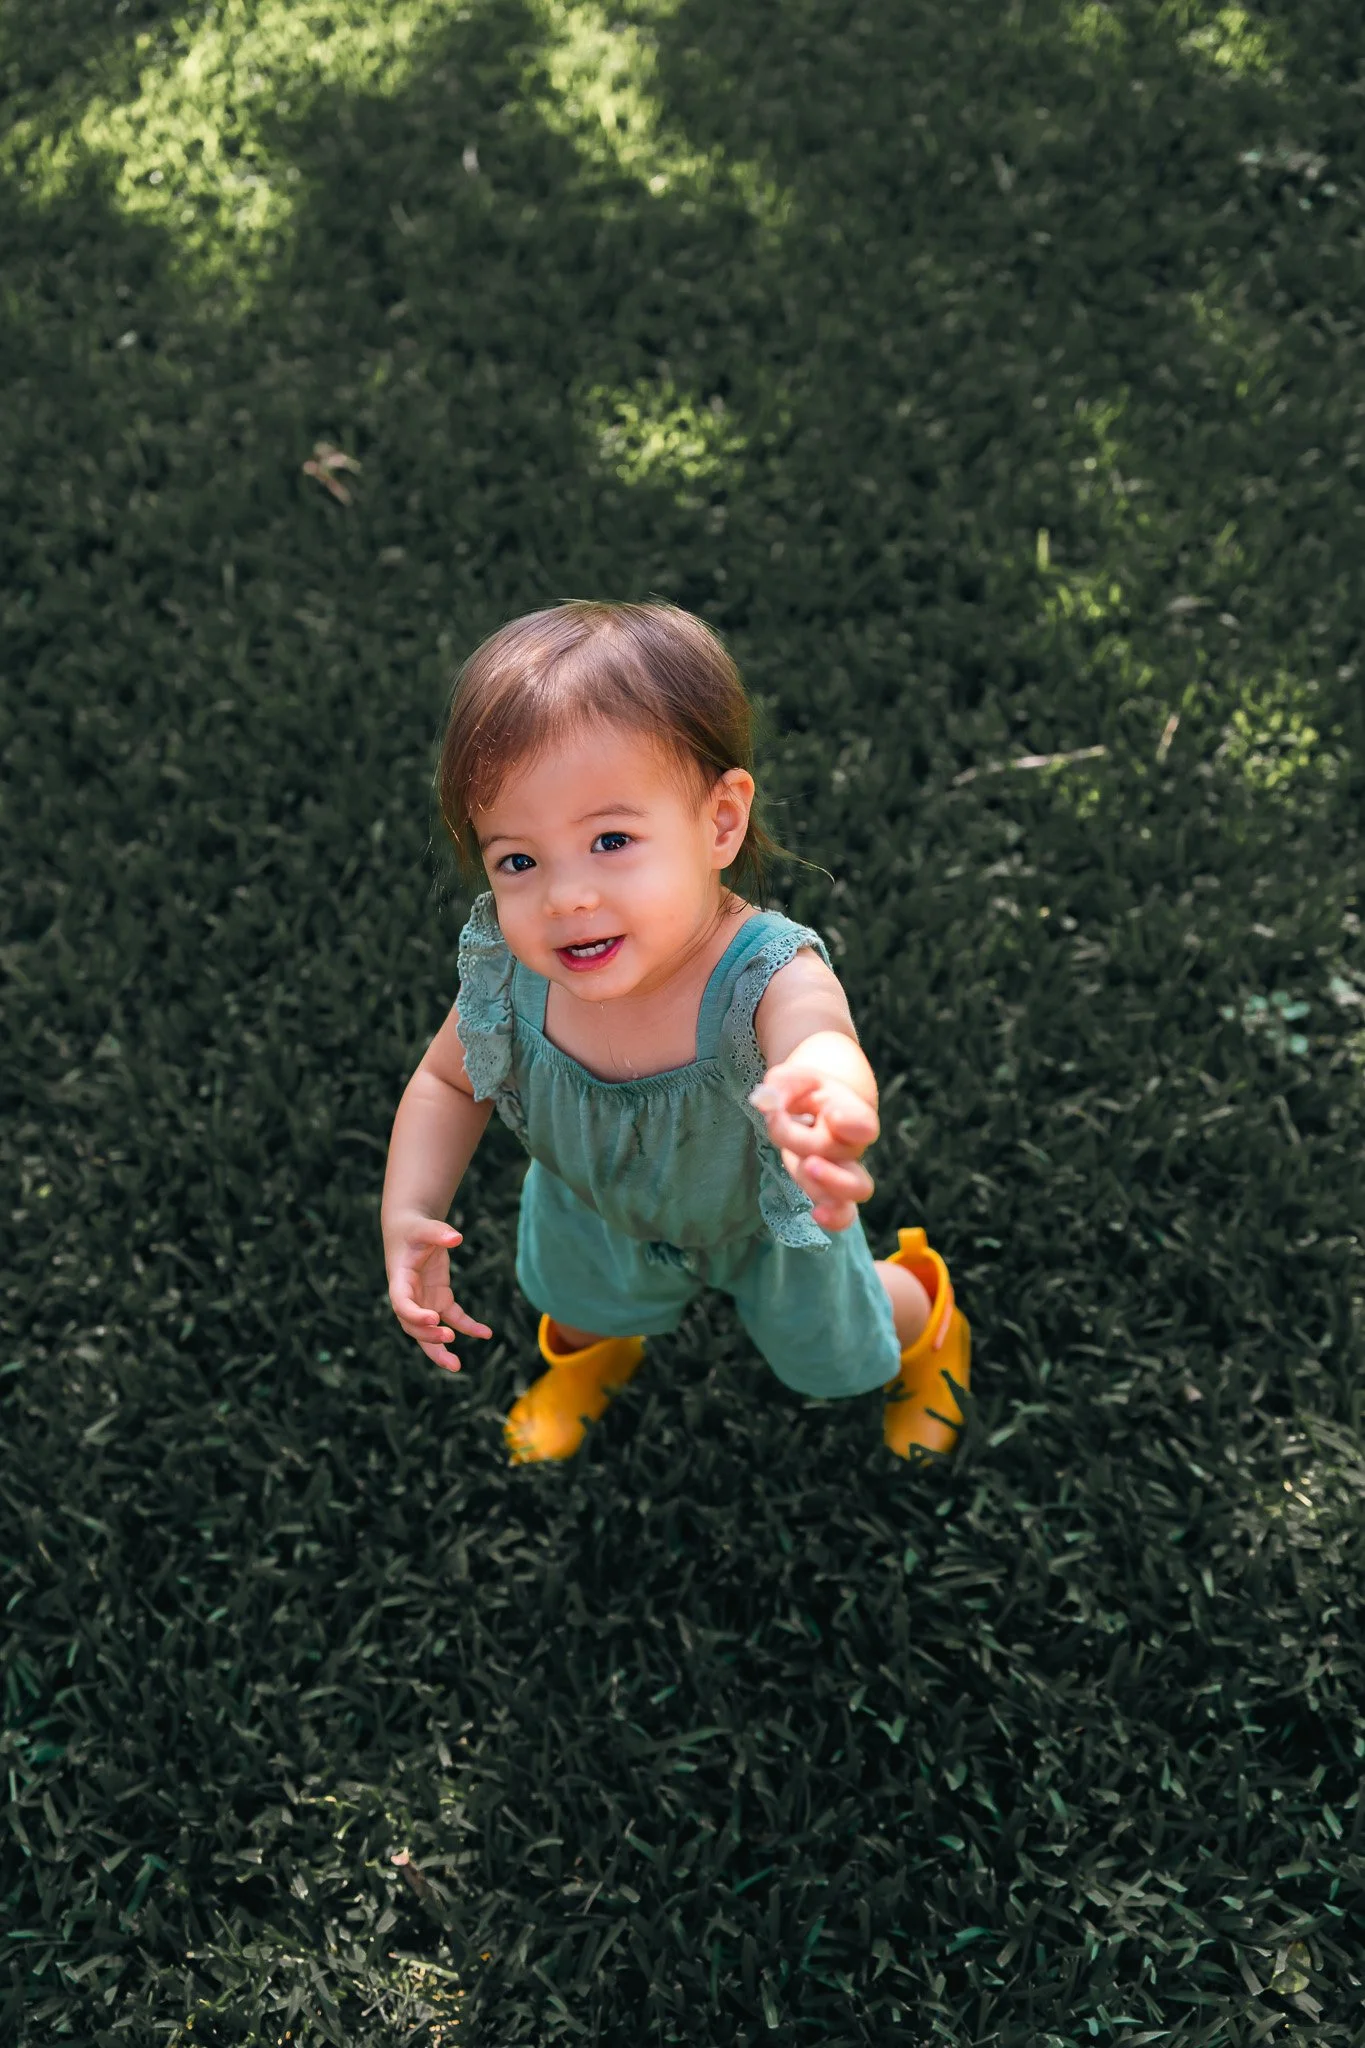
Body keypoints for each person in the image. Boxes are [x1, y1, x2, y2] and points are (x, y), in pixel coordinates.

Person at [380, 601, 970, 1465]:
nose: (564, 896)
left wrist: (826, 1086)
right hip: (595, 1208)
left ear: (719, 822)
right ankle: (595, 1353)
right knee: (579, 1298)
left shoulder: (761, 970)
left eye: (611, 839)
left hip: (767, 1223)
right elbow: (446, 1081)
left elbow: (815, 1029)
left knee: (835, 1356)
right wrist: (409, 1209)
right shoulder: (514, 973)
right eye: (518, 860)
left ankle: (925, 1318)